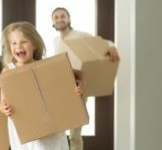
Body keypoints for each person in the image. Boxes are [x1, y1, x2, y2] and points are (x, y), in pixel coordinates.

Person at [0, 21, 83, 150]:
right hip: (24, 126)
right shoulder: (8, 72)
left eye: (24, 41)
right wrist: (4, 108)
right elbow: (2, 102)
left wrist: (77, 89)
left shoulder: (45, 67)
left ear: (34, 45)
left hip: (50, 123)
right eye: (14, 43)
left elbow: (68, 87)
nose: (18, 46)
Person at [51, 7, 120, 150]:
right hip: (61, 88)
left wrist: (111, 48)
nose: (59, 19)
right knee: (60, 131)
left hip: (78, 87)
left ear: (68, 19)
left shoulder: (79, 36)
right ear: (53, 22)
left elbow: (104, 43)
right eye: (56, 17)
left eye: (62, 16)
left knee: (75, 132)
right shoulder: (56, 41)